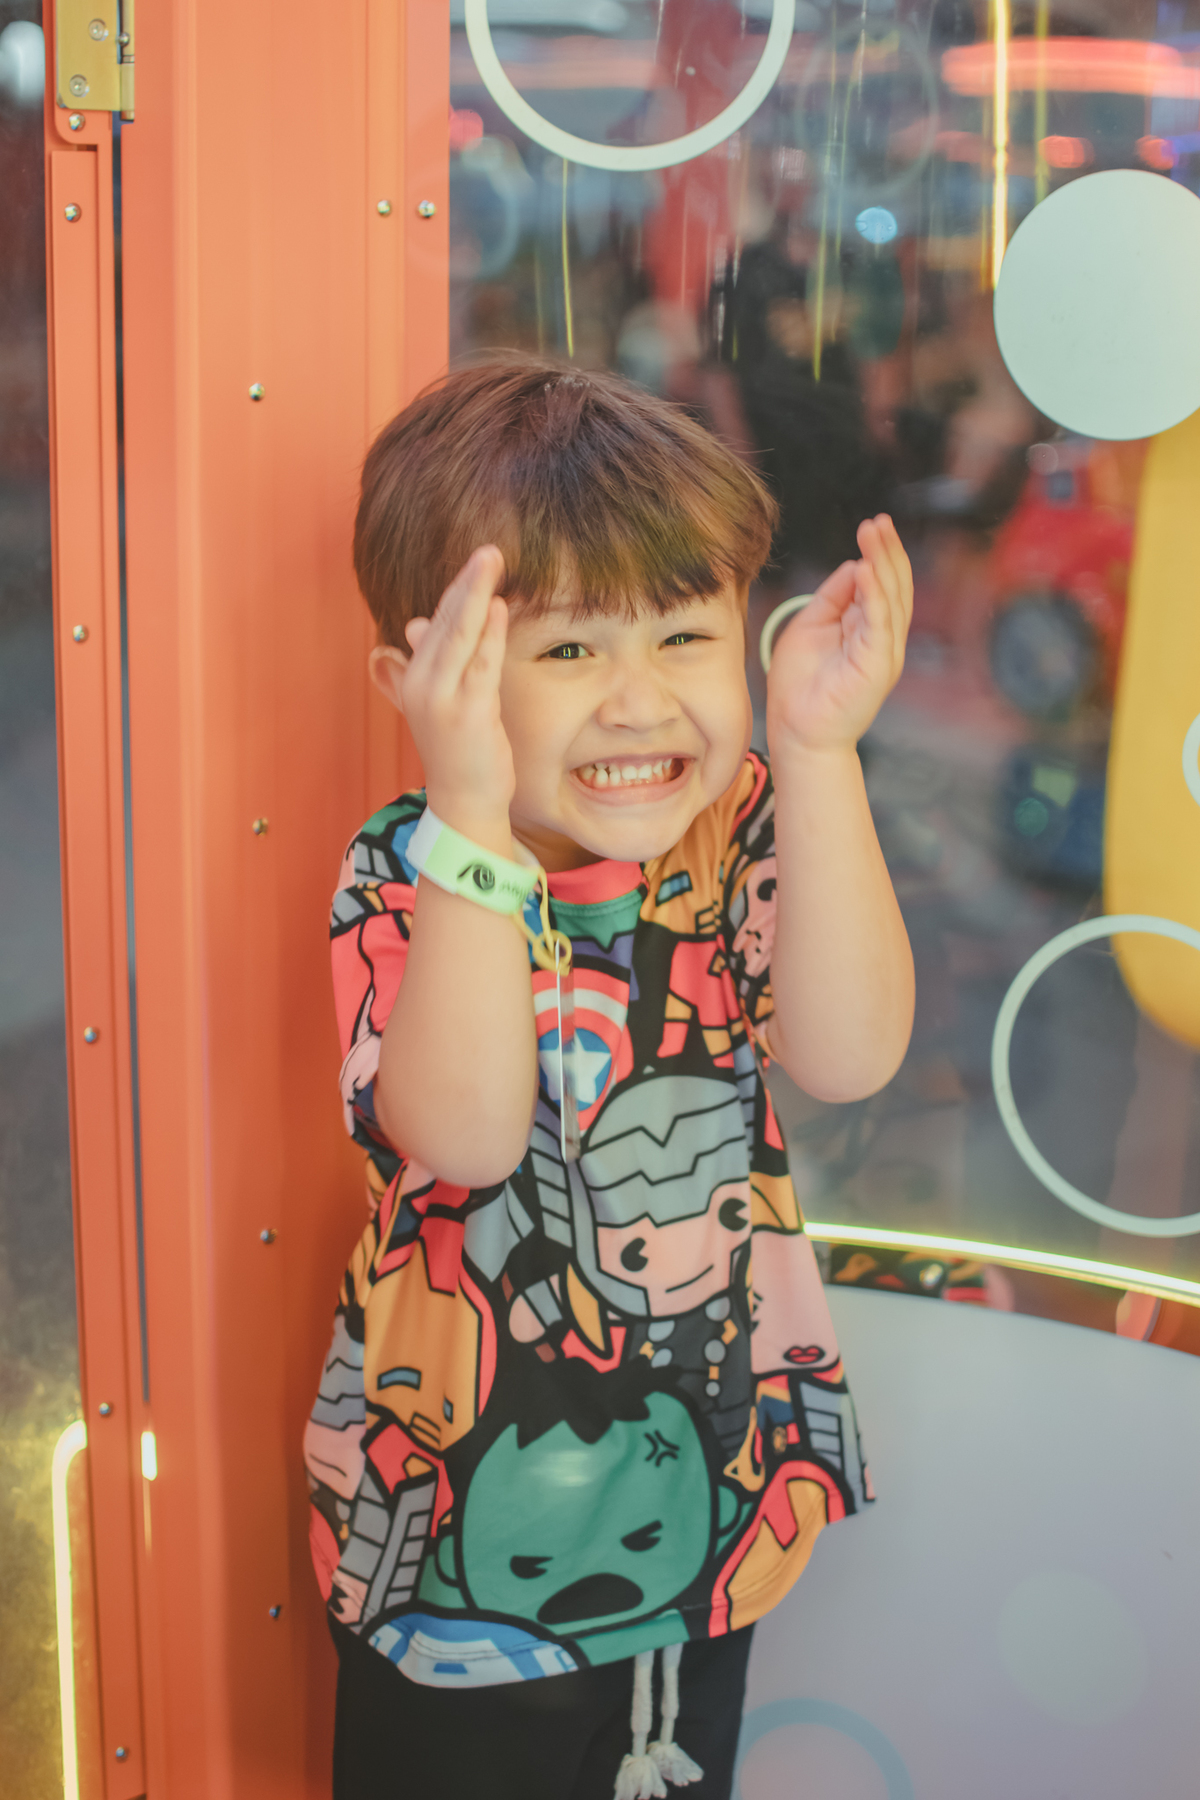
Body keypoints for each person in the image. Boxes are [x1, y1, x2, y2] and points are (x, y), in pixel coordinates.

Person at [305, 356, 914, 1800]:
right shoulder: (407, 873)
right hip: (450, 1547)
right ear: (421, 682)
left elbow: (848, 1052)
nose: (642, 705)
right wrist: (465, 812)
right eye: (570, 652)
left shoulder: (743, 828)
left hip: (703, 1516)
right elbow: (461, 1136)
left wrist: (817, 751)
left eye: (685, 638)